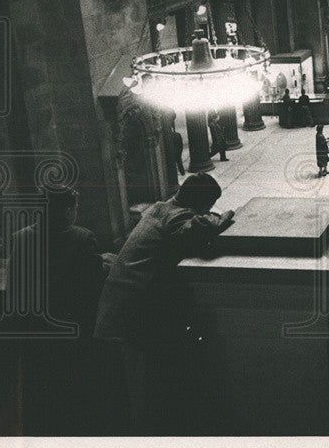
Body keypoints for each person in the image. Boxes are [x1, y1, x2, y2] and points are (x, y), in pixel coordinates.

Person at [94, 174, 235, 434]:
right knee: (141, 389)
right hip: (132, 313)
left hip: (119, 307)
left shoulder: (160, 207)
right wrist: (224, 216)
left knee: (135, 383)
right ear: (200, 201)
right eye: (209, 203)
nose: (208, 209)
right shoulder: (178, 217)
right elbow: (200, 226)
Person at [5, 185, 109, 435]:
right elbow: (90, 289)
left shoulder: (20, 237)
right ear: (68, 209)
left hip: (35, 330)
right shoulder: (83, 238)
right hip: (71, 331)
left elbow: (14, 284)